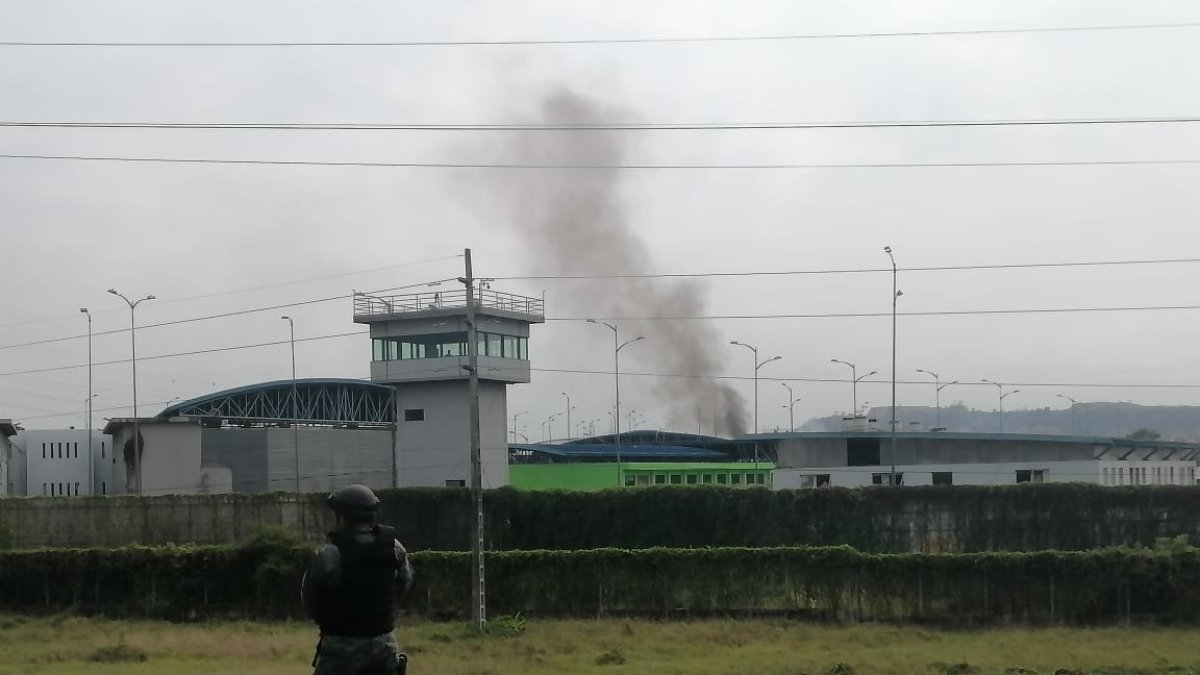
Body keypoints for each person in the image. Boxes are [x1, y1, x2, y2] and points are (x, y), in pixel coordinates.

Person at [302, 484, 414, 675]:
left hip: (340, 649)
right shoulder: (394, 547)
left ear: (343, 517)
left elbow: (310, 602)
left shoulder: (328, 554)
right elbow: (404, 584)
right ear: (372, 515)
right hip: (384, 647)